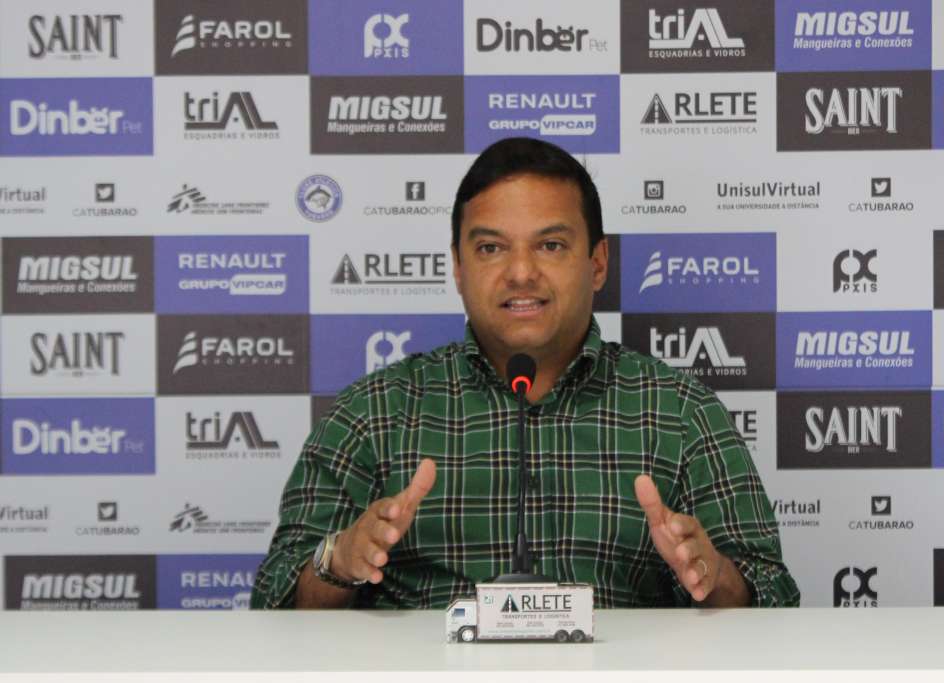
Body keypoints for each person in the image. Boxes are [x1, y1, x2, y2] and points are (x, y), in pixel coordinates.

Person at [252, 137, 799, 609]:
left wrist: (715, 575)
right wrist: (339, 560)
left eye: (551, 245)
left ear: (598, 263)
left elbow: (775, 595)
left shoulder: (678, 412)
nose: (520, 273)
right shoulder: (375, 412)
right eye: (491, 247)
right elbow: (275, 600)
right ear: (459, 268)